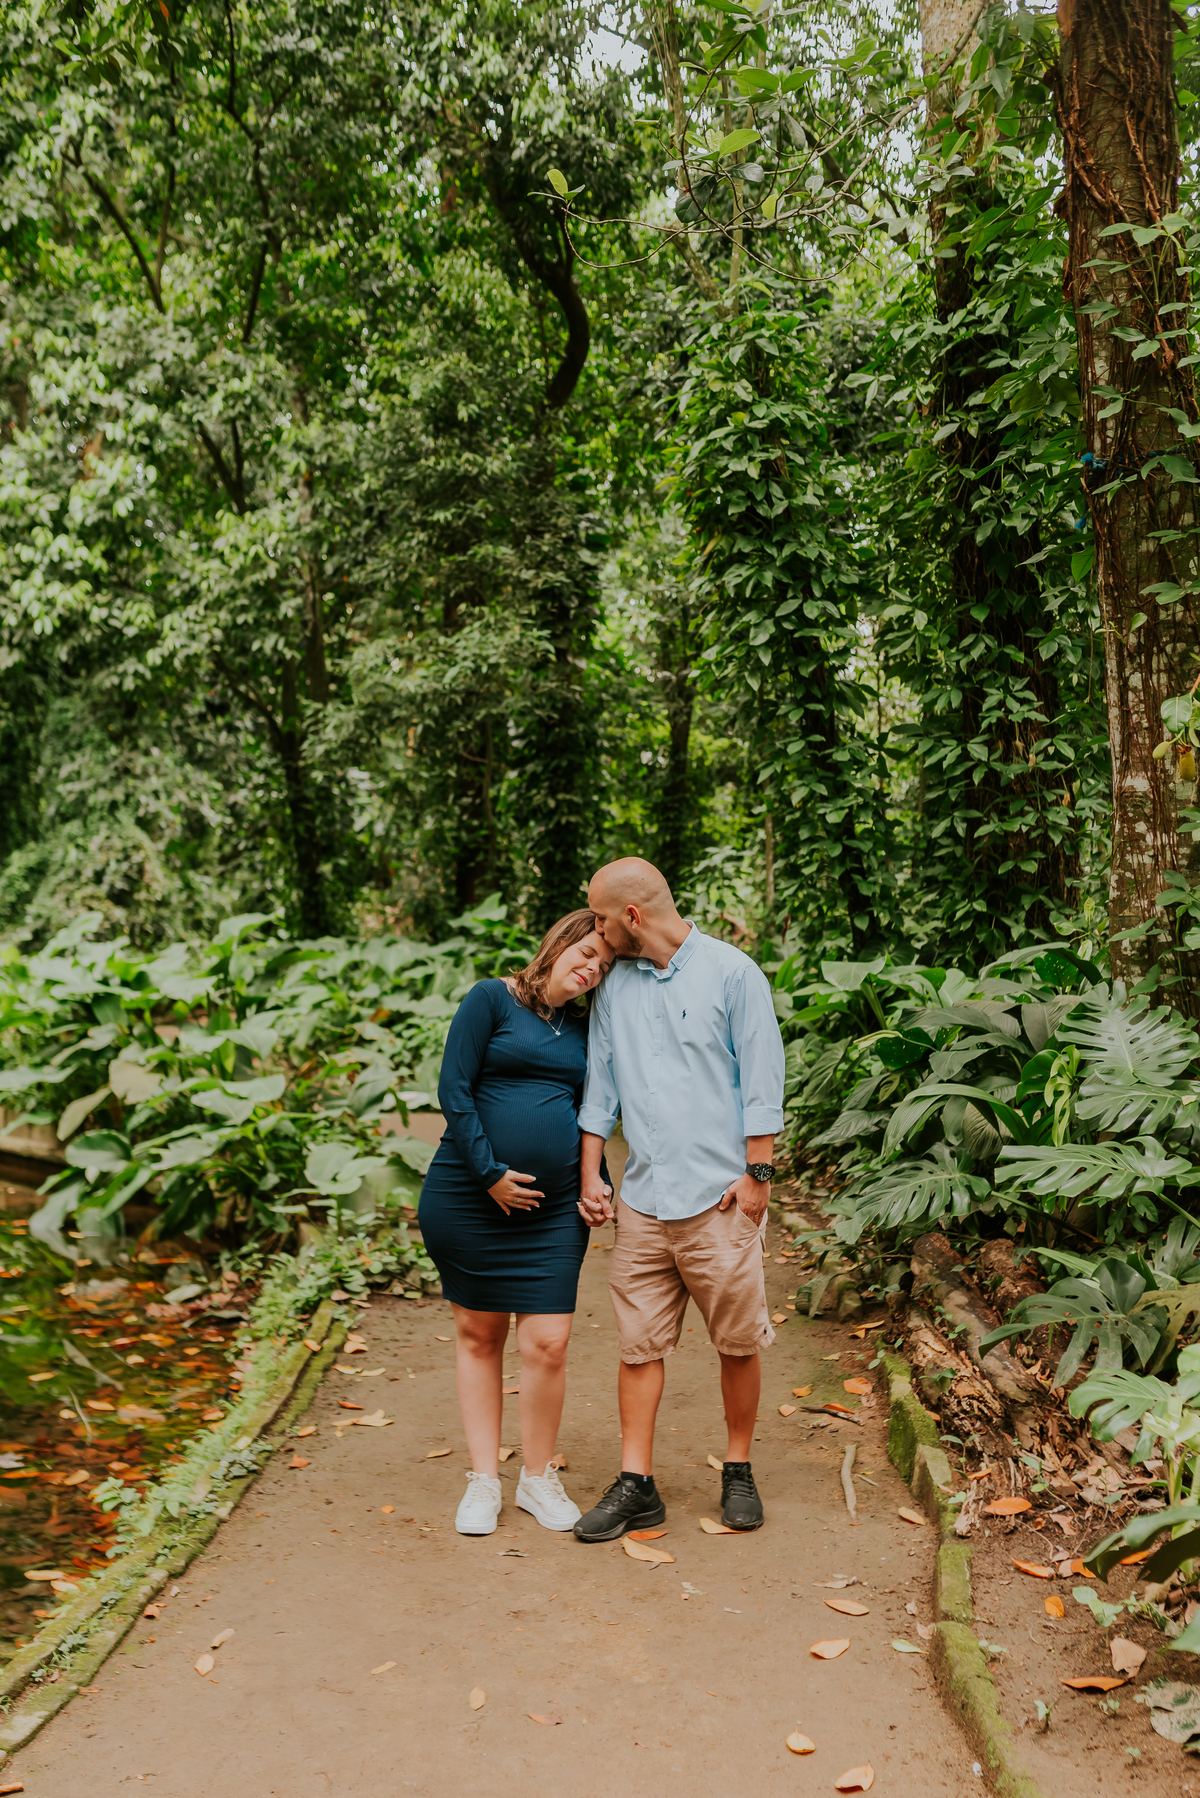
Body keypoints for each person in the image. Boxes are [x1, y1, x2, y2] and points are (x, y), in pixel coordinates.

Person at [572, 857, 785, 1541]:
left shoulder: (731, 973)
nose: (597, 934)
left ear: (633, 916)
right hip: (644, 1200)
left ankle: (738, 1468)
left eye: (602, 920)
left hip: (720, 1199)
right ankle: (637, 1483)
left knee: (738, 1339)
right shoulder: (615, 990)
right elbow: (599, 1091)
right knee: (639, 1346)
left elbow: (761, 1074)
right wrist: (591, 1174)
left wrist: (758, 1176)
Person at [418, 911, 614, 1538]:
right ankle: (483, 1480)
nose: (591, 968)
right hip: (470, 1196)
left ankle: (536, 1477)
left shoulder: (586, 1029)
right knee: (479, 1337)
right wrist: (490, 1175)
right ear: (558, 945)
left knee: (548, 1342)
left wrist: (596, 1179)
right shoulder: (491, 1000)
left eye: (603, 965)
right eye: (585, 952)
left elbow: (590, 1111)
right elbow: (454, 1089)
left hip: (553, 1213)